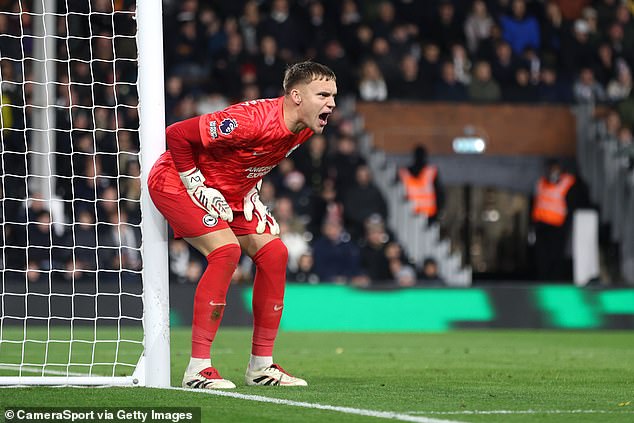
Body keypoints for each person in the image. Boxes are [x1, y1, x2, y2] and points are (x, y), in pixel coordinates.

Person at [148, 61, 337, 389]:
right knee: (225, 252)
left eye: (333, 95)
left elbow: (256, 159)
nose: (331, 103)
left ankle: (261, 366)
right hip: (176, 180)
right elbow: (176, 134)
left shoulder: (304, 128)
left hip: (229, 192)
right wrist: (195, 184)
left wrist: (252, 192)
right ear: (295, 96)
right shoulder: (250, 122)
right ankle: (197, 369)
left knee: (275, 254)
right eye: (323, 94)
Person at [530, 159, 580, 281]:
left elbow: (573, 203)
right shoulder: (541, 183)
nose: (552, 172)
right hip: (541, 227)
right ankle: (544, 279)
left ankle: (555, 279)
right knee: (542, 257)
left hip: (557, 227)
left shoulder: (567, 183)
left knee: (556, 256)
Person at [399, 145, 444, 222]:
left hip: (411, 216)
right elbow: (439, 194)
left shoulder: (404, 173)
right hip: (425, 217)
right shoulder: (431, 172)